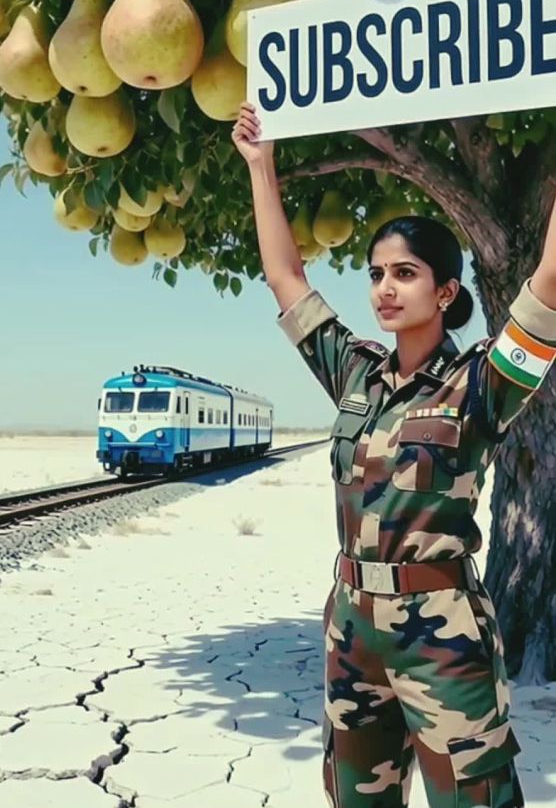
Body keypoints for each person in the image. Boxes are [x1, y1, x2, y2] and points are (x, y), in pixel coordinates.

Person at [232, 101, 556, 808]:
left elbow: (547, 288)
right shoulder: (356, 373)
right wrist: (262, 165)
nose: (384, 287)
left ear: (445, 291)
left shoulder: (481, 384)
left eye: (405, 273)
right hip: (351, 628)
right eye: (377, 272)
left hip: (441, 634)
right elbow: (287, 280)